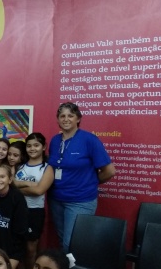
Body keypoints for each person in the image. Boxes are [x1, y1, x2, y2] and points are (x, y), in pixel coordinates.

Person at [48, 102, 115, 252]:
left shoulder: (89, 139)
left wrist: (90, 182)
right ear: (58, 119)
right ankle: (66, 268)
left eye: (70, 116)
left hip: (80, 201)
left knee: (72, 244)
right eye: (62, 116)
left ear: (78, 119)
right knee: (62, 240)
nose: (66, 119)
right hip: (56, 200)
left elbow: (109, 171)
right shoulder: (55, 141)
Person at [13, 133, 54, 269]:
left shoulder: (47, 168)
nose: (32, 149)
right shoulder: (19, 166)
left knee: (30, 250)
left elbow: (39, 191)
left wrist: (17, 187)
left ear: (43, 147)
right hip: (16, 211)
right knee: (18, 249)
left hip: (34, 212)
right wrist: (29, 185)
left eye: (36, 145)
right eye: (29, 146)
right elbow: (9, 184)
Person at [0, 164, 29, 269]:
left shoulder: (17, 198)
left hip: (13, 248)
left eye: (2, 177)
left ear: (9, 179)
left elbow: (20, 230)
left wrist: (14, 255)